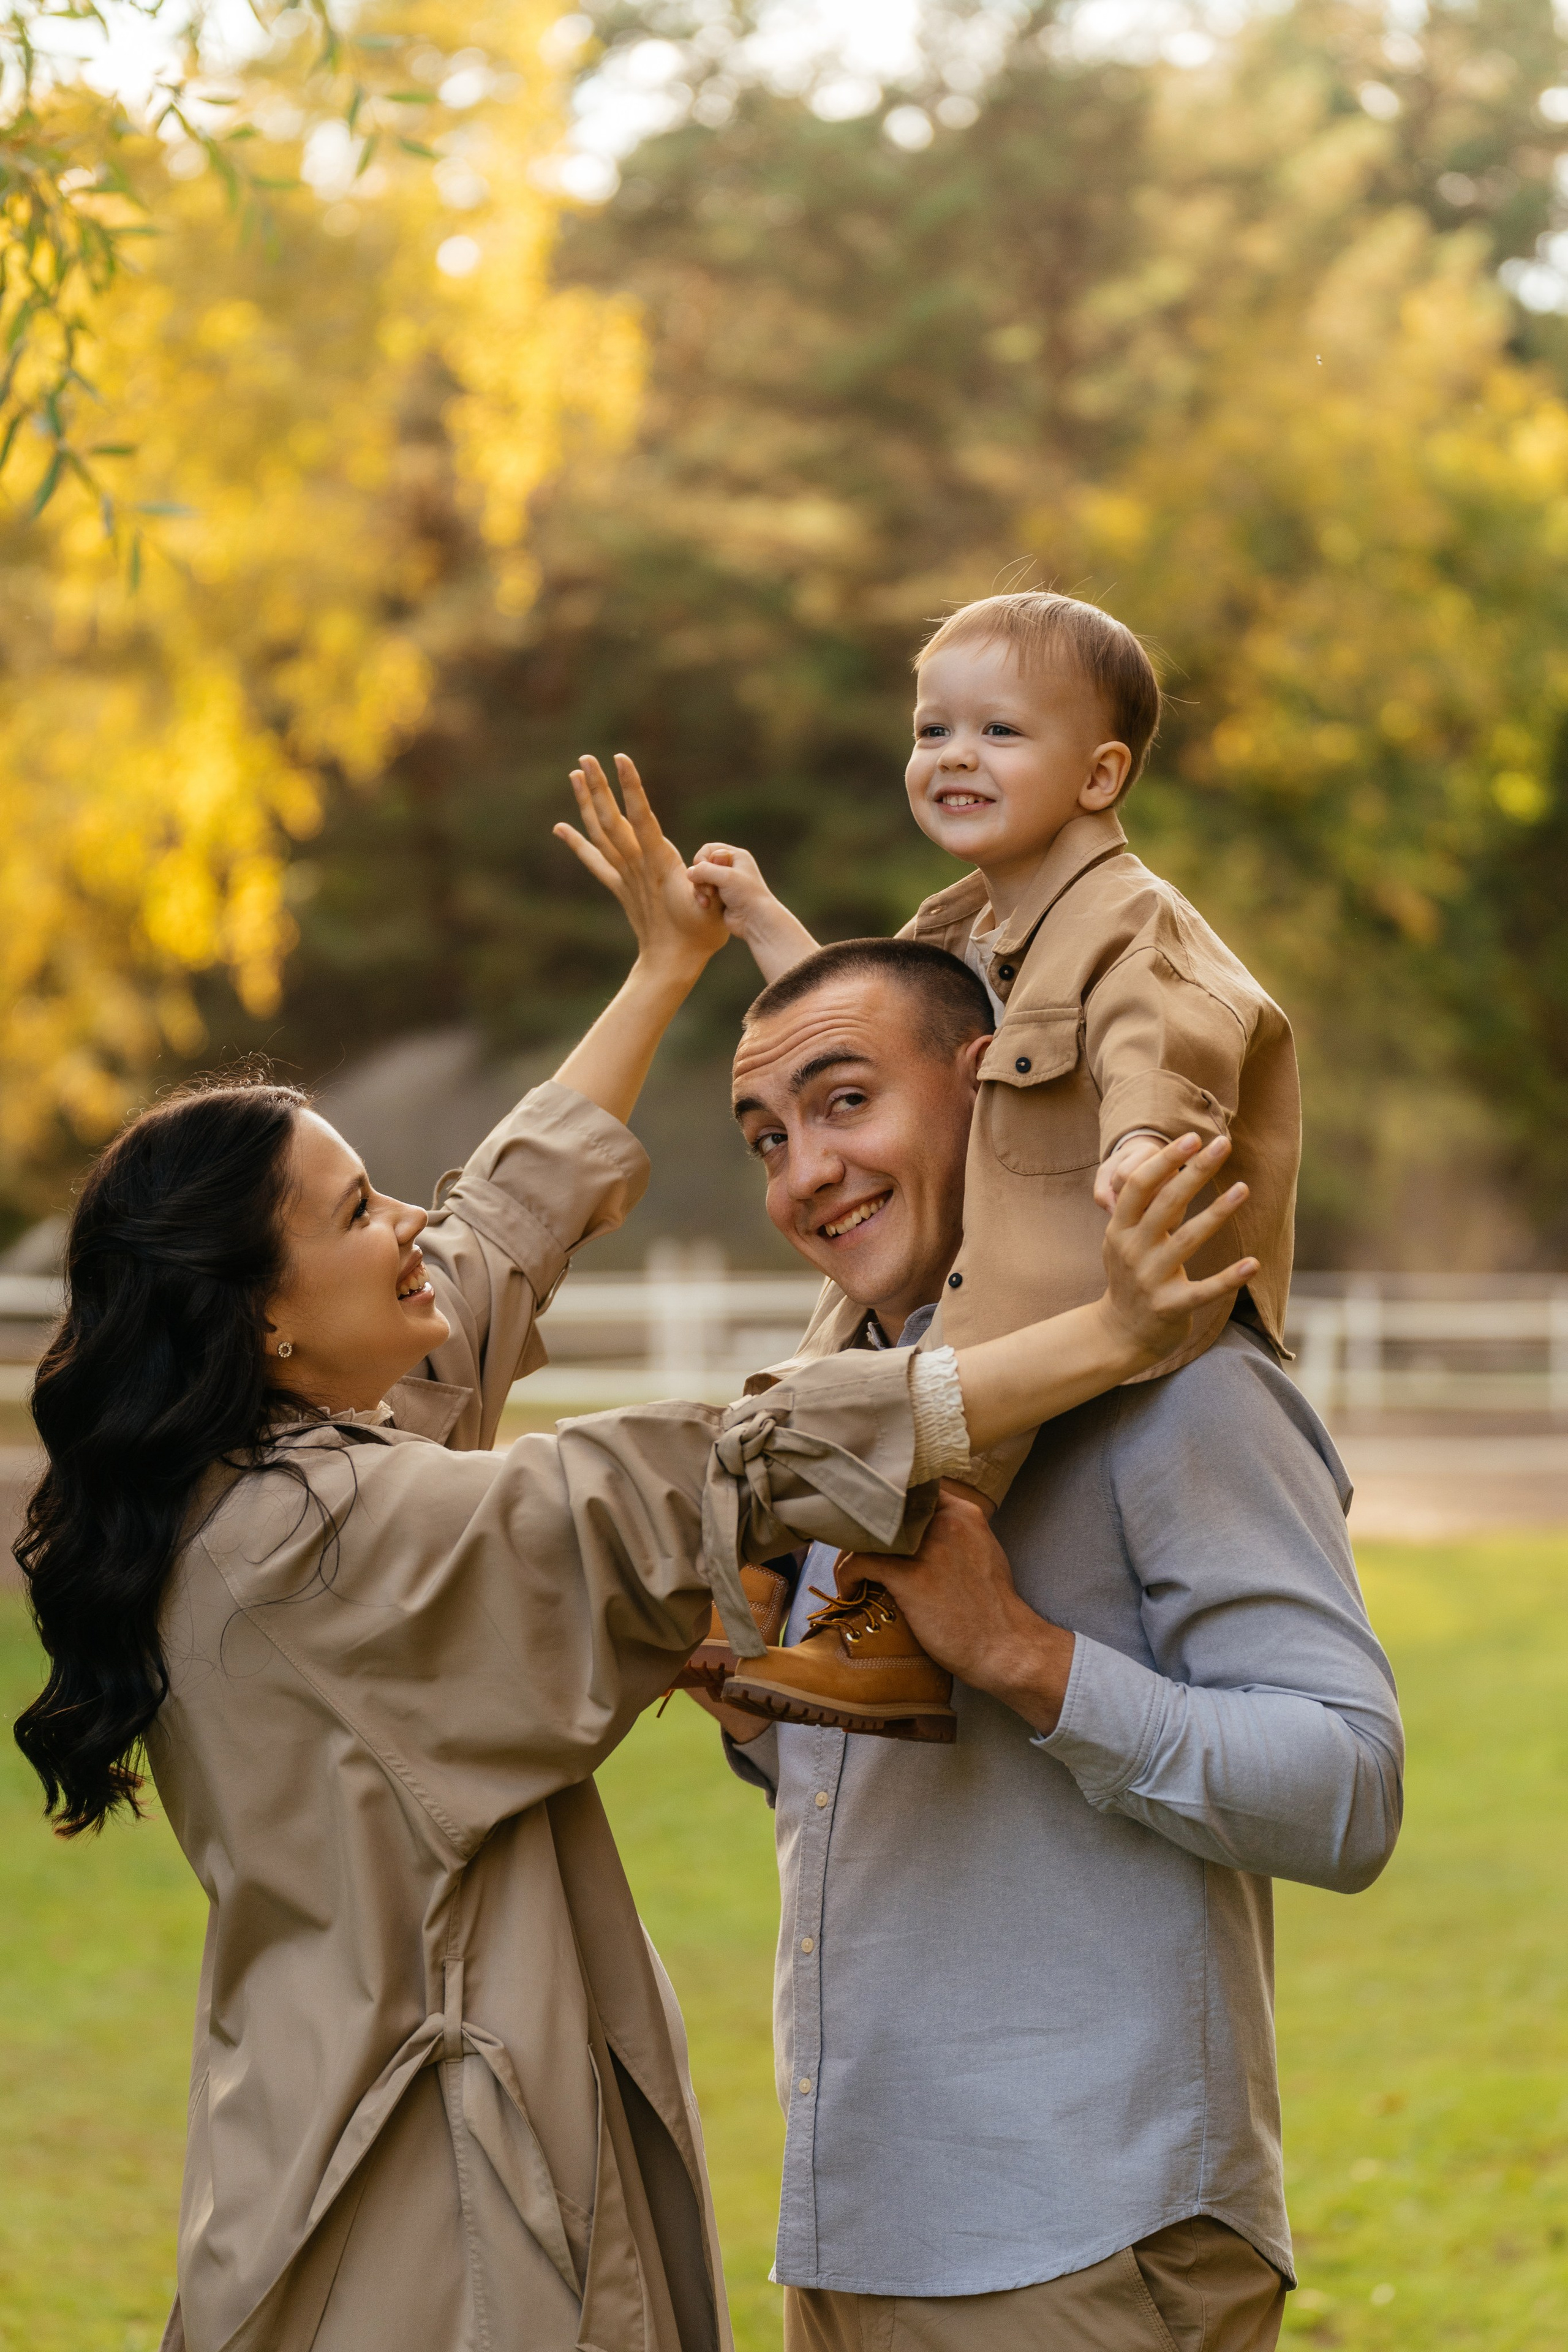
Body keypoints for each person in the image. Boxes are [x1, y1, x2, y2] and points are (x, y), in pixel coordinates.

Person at [14, 759, 1251, 2352]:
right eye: (352, 1210)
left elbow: (479, 1250)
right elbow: (689, 1480)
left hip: (354, 2141)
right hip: (440, 2218)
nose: (407, 1217)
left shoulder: (257, 1466)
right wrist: (1112, 1333)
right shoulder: (314, 1541)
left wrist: (665, 968)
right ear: (260, 1314)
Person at [704, 936, 1402, 2352]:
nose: (802, 1175)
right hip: (849, 2237)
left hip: (1087, 2246)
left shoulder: (1185, 1380)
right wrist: (750, 1709)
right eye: (767, 1138)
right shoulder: (865, 1400)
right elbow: (909, 1803)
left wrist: (1023, 1654)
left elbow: (1348, 1791)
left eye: (845, 1105)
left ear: (995, 1092)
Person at [688, 589, 1303, 1728]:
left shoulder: (1135, 923)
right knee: (841, 1349)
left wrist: (1141, 1142)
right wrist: (769, 928)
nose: (953, 756)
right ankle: (760, 1574)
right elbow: (876, 1033)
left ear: (1101, 775)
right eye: (933, 731)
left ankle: (884, 1633)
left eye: (1000, 732)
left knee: (951, 1417)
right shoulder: (966, 923)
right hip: (1003, 1244)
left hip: (1103, 1251)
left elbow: (1163, 1038)